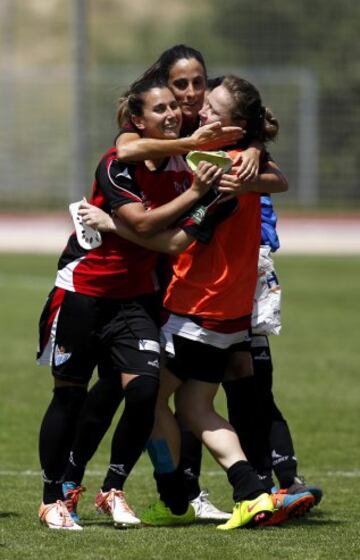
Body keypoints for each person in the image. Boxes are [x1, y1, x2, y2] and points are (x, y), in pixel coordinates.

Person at [82, 75, 292, 530]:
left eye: (213, 108)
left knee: (147, 399)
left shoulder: (220, 169)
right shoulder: (244, 164)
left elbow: (175, 243)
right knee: (196, 409)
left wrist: (110, 223)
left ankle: (175, 495)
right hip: (229, 312)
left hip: (199, 307)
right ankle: (252, 492)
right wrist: (255, 148)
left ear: (234, 124)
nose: (201, 112)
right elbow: (280, 180)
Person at [37, 76, 223, 530]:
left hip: (135, 300)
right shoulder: (117, 164)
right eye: (159, 109)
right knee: (69, 396)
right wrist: (199, 194)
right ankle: (52, 498)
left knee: (143, 390)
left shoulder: (186, 164)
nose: (172, 113)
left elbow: (175, 240)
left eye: (173, 107)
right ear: (136, 121)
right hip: (83, 293)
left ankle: (112, 489)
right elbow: (142, 224)